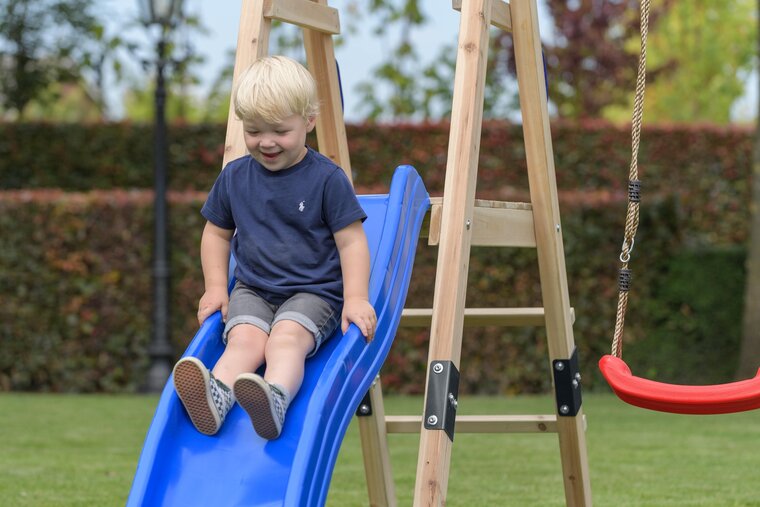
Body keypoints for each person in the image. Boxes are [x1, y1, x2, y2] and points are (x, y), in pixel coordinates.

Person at [172, 55, 377, 440]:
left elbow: (351, 242)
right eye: (253, 131)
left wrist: (356, 298)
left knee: (285, 339)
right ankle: (216, 397)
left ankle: (276, 397)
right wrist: (217, 287)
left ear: (309, 122)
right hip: (253, 289)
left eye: (280, 131)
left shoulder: (327, 179)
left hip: (313, 293)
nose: (266, 142)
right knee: (243, 340)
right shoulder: (234, 177)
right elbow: (215, 233)